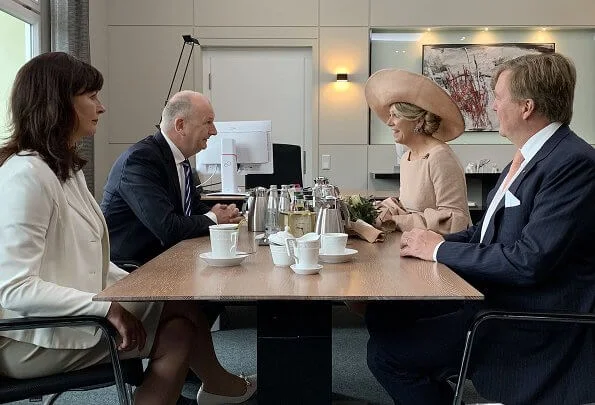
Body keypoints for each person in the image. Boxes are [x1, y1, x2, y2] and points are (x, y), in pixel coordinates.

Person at [0, 52, 256, 405]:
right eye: (91, 97)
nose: (101, 107)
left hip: (65, 314)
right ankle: (215, 387)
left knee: (181, 309)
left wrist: (136, 290)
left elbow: (87, 256)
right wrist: (108, 308)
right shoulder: (25, 176)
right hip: (29, 339)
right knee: (179, 327)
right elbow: (14, 289)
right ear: (59, 103)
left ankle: (215, 387)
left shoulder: (62, 169)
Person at [370, 53, 595, 405]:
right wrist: (432, 241)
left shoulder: (573, 163)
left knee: (385, 356)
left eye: (498, 97)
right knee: (385, 315)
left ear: (526, 107)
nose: (491, 106)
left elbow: (528, 261)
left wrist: (438, 250)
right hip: (491, 298)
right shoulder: (526, 159)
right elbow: (483, 234)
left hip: (523, 319)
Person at [101, 90, 243, 266]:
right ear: (180, 126)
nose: (214, 131)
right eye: (208, 122)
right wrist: (214, 218)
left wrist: (223, 213)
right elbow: (167, 227)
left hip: (166, 259)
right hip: (132, 269)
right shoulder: (140, 160)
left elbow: (190, 207)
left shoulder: (180, 161)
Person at [365, 69, 471, 235]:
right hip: (413, 243)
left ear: (418, 120)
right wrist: (381, 211)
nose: (389, 122)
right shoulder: (407, 157)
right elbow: (408, 206)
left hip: (440, 250)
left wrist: (398, 221)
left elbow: (455, 219)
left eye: (395, 116)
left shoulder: (440, 157)